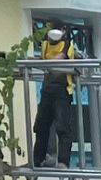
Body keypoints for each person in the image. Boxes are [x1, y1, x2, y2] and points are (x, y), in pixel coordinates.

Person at [33, 20, 77, 168]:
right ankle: (37, 160)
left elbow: (60, 58)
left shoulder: (67, 44)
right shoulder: (45, 44)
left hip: (63, 90)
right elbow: (42, 60)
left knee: (62, 127)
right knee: (41, 126)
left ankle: (63, 161)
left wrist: (47, 63)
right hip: (47, 89)